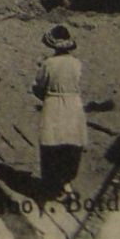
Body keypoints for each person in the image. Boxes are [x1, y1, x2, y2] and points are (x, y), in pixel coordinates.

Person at [32, 25, 87, 199]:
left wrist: (45, 97)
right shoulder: (77, 64)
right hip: (73, 104)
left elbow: (38, 86)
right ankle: (67, 183)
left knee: (52, 144)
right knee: (71, 144)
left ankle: (53, 186)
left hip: (53, 104)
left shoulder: (48, 64)